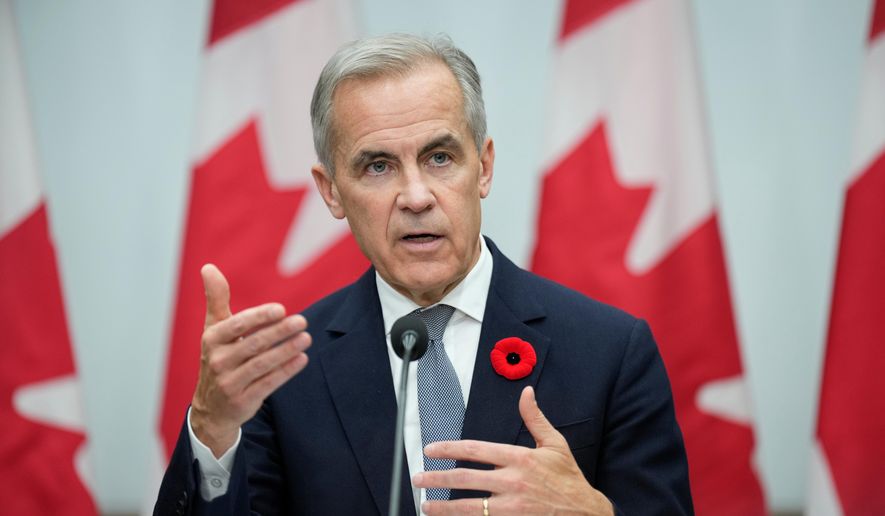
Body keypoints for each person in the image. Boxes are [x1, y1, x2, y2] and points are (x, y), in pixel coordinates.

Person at [154, 33, 692, 516]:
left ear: (482, 167)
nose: (415, 197)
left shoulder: (610, 351)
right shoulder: (287, 371)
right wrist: (211, 426)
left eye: (439, 157)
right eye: (378, 166)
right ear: (331, 191)